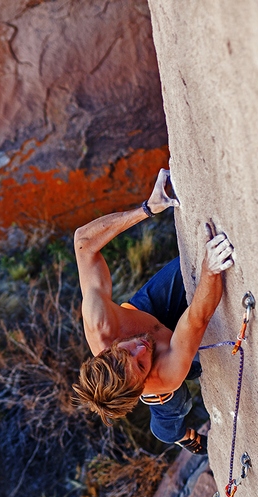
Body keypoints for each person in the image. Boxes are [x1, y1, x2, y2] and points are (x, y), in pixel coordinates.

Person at [71, 168, 234, 454]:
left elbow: (83, 243)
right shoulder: (162, 375)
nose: (142, 349)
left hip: (147, 311)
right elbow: (197, 317)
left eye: (128, 350)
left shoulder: (100, 323)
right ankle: (178, 435)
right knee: (176, 405)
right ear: (143, 380)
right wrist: (211, 269)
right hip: (171, 359)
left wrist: (147, 208)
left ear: (108, 349)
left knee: (193, 263)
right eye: (141, 364)